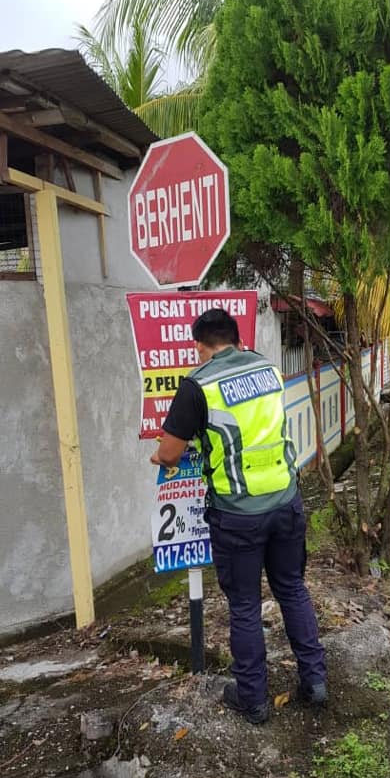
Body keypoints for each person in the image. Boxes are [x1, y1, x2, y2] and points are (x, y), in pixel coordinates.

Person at [150, 308, 327, 724]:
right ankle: (315, 681)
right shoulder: (268, 369)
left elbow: (171, 451)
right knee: (292, 590)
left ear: (200, 346)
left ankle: (253, 699)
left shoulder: (198, 385)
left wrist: (159, 454)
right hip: (285, 500)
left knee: (246, 606)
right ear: (237, 339)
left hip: (238, 514)